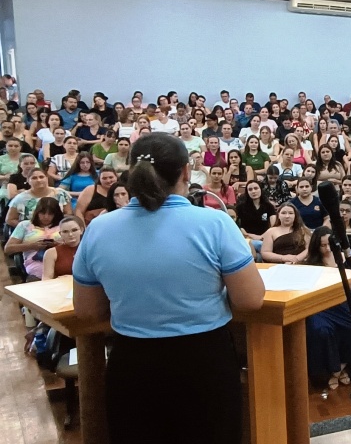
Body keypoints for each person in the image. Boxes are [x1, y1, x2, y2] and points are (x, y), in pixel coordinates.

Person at [72, 132, 265, 443]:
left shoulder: (98, 229)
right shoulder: (214, 223)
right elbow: (250, 300)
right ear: (186, 172)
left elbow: (87, 310)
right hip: (203, 362)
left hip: (132, 362)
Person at [304, 226, 351, 391]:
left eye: (329, 245)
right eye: (322, 245)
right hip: (321, 305)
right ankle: (331, 371)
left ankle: (342, 367)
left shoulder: (346, 258)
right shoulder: (310, 263)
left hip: (344, 301)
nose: (326, 249)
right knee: (321, 330)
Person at [4, 197, 63, 281]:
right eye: (42, 213)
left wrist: (57, 245)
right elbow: (8, 249)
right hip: (36, 265)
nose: (46, 217)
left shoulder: (62, 225)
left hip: (60, 262)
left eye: (50, 214)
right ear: (37, 212)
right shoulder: (24, 225)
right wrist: (32, 246)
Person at [6, 168, 73, 226]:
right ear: (28, 181)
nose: (39, 180)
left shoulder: (61, 194)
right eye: (34, 178)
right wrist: (26, 228)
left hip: (57, 229)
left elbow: (69, 214)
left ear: (47, 178)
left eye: (41, 177)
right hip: (30, 232)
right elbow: (10, 220)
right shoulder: (20, 198)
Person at [42, 216, 84, 280]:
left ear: (81, 230)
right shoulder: (51, 253)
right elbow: (46, 278)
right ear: (60, 234)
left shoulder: (90, 250)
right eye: (65, 231)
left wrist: (71, 278)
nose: (70, 234)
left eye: (74, 230)